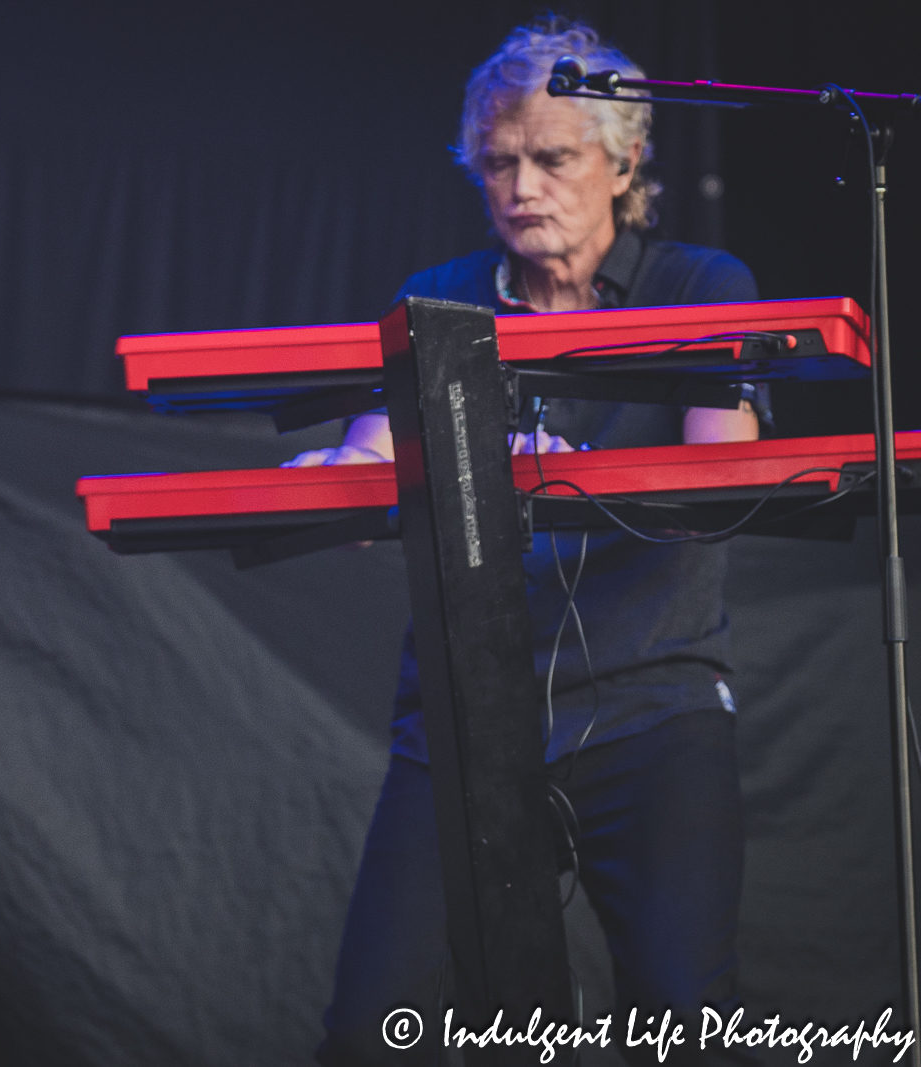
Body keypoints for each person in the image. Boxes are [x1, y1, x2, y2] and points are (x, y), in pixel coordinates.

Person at [291, 19, 761, 1067]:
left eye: (552, 157)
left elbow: (724, 476)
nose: (521, 184)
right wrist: (323, 478)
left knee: (686, 1024)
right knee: (369, 1030)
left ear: (624, 158)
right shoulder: (441, 296)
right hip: (468, 713)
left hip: (654, 699)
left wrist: (545, 466)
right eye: (498, 161)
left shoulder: (700, 283)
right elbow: (373, 456)